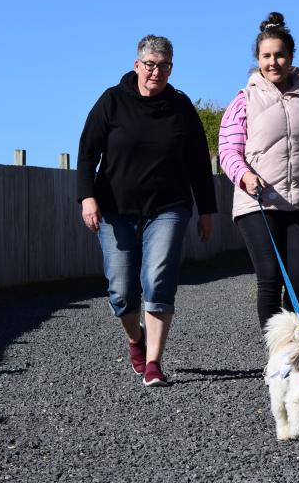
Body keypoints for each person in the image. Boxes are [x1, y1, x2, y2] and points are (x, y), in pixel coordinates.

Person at [77, 34, 217, 387]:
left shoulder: (181, 107)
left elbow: (199, 162)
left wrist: (206, 210)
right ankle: (135, 339)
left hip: (168, 206)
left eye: (164, 66)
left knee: (157, 280)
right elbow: (87, 152)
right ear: (137, 65)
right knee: (122, 292)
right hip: (115, 206)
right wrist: (87, 197)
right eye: (150, 65)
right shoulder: (112, 101)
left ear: (172, 68)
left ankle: (154, 361)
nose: (156, 72)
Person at [218, 12, 299, 331]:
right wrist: (245, 176)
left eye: (279, 55)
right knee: (271, 276)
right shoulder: (243, 100)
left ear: (290, 58)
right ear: (257, 59)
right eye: (266, 56)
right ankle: (277, 356)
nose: (273, 62)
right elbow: (228, 151)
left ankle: (289, 336)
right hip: (258, 202)